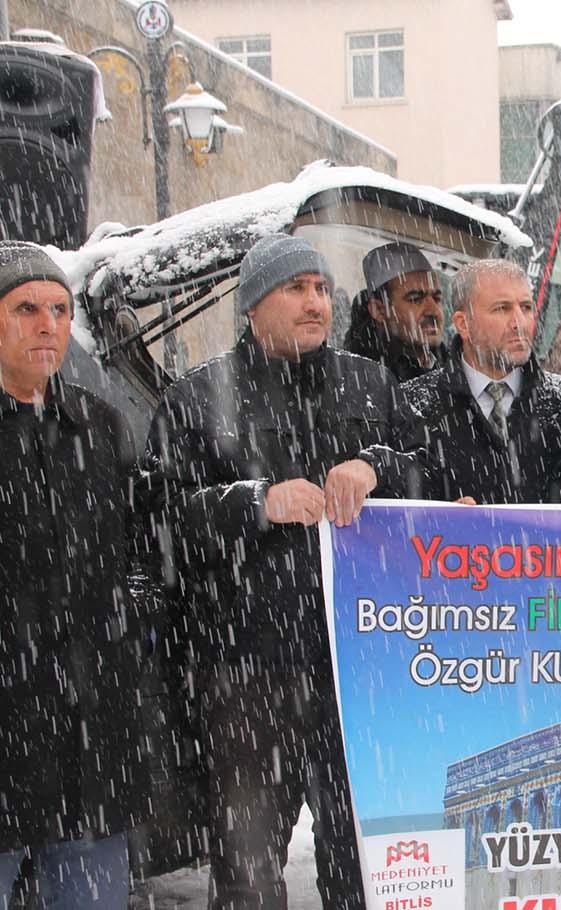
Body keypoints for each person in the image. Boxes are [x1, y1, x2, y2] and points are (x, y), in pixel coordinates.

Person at [142, 234, 421, 909]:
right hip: (246, 674)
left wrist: (376, 465)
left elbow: (426, 471)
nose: (315, 302)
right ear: (251, 306)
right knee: (248, 870)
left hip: (357, 669)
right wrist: (255, 504)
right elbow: (157, 525)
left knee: (363, 863)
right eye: (296, 288)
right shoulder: (197, 397)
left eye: (322, 288)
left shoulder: (370, 384)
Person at [0, 242, 147, 908]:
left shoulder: (99, 426)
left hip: (89, 740)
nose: (48, 325)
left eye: (60, 310)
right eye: (26, 309)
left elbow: (143, 547)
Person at [404, 259, 561, 503]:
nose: (519, 323)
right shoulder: (413, 403)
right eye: (502, 309)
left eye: (526, 307)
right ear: (463, 324)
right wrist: (437, 516)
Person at [343, 241, 450, 381]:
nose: (434, 311)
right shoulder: (357, 377)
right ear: (379, 310)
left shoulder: (455, 368)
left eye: (437, 298)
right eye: (415, 299)